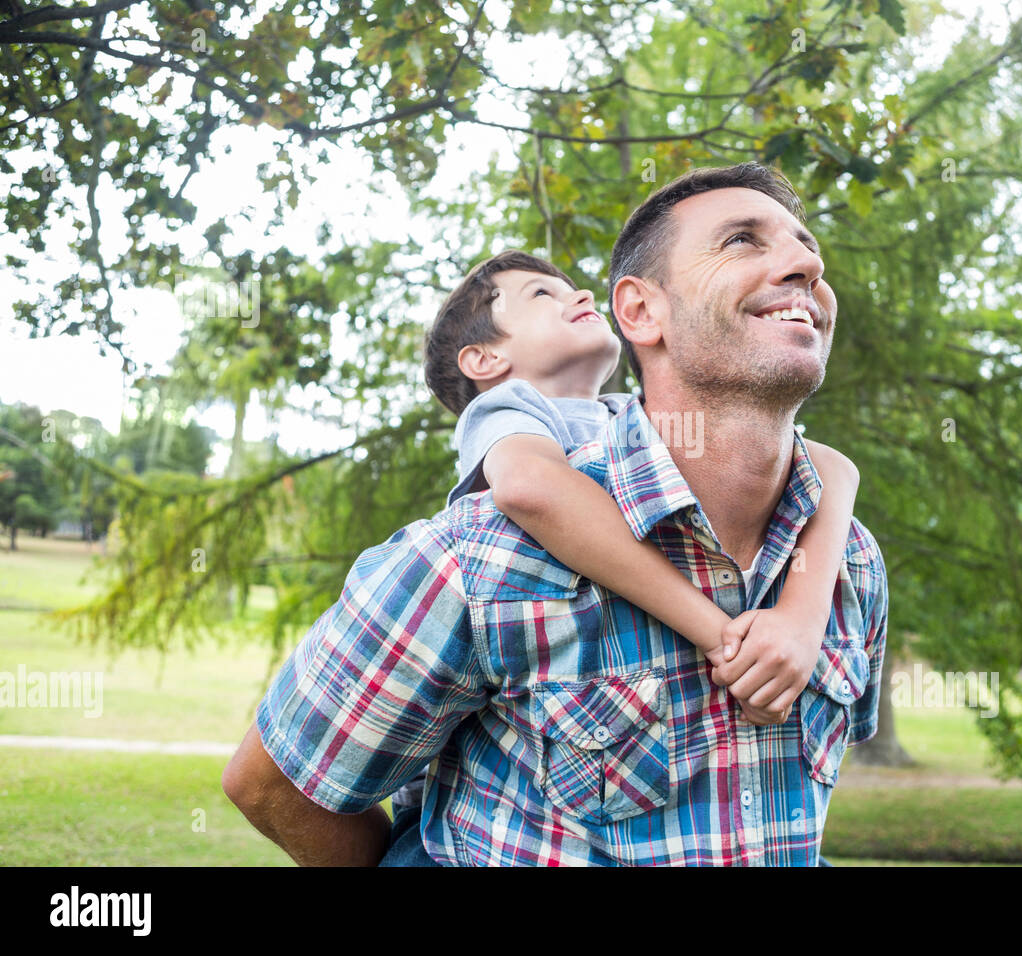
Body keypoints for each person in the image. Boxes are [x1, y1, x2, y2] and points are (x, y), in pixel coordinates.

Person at [222, 161, 889, 866]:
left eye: (805, 242)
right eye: (741, 241)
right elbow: (274, 787)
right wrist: (725, 636)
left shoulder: (849, 560)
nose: (807, 262)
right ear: (639, 311)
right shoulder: (484, 550)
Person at [379, 248, 860, 862]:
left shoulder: (621, 417)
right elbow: (531, 489)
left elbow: (831, 466)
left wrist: (800, 614)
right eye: (541, 296)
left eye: (574, 287)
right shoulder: (507, 411)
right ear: (484, 359)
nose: (577, 295)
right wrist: (720, 636)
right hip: (446, 804)